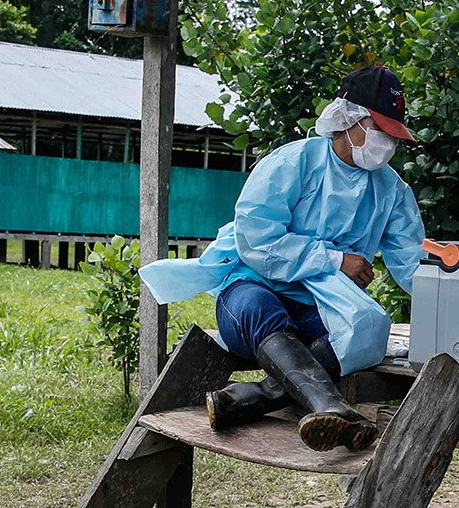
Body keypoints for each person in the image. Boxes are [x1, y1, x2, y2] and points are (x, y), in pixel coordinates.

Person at [139, 66, 426, 452]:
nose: (387, 144)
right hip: (250, 288)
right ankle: (329, 404)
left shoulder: (392, 189)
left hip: (316, 303)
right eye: (380, 131)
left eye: (394, 136)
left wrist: (452, 298)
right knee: (258, 305)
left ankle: (253, 397)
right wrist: (335, 260)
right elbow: (256, 238)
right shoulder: (293, 162)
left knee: (368, 326)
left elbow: (412, 262)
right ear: (348, 118)